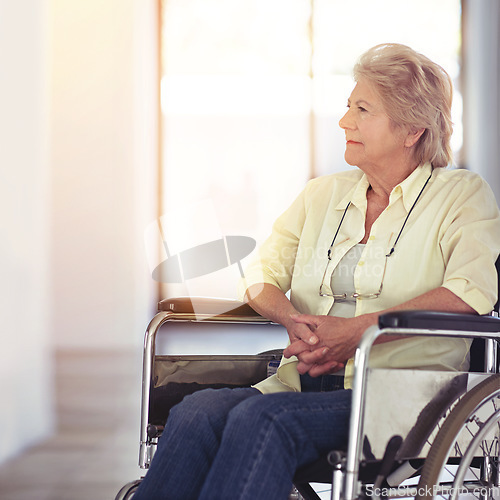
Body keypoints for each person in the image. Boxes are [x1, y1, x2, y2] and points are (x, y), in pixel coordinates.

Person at [133, 43, 500, 500]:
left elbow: (468, 292)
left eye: (362, 110)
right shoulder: (322, 194)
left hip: (400, 400)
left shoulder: (461, 195)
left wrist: (358, 332)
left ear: (411, 129)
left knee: (262, 421)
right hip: (300, 381)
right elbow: (261, 273)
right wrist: (294, 321)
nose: (345, 121)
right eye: (348, 107)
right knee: (197, 411)